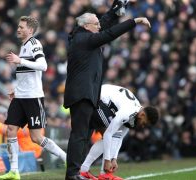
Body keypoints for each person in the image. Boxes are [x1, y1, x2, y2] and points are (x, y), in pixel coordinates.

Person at [63, 1, 151, 179]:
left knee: (83, 136)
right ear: (87, 26)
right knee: (79, 136)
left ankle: (77, 172)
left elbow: (103, 23)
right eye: (96, 24)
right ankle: (72, 175)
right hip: (82, 94)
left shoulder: (84, 35)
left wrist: (115, 9)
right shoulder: (84, 39)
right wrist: (135, 21)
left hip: (87, 94)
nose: (99, 26)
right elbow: (110, 34)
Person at [0, 16, 66, 180]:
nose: (18, 29)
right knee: (10, 130)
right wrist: (16, 90)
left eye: (21, 27)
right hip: (20, 96)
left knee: (36, 137)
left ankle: (65, 157)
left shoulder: (34, 44)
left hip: (33, 98)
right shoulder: (24, 46)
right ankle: (14, 171)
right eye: (18, 26)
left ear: (30, 30)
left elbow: (43, 65)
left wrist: (20, 60)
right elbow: (26, 74)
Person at [79, 84, 159, 180]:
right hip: (95, 98)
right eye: (144, 123)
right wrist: (107, 160)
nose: (143, 126)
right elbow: (108, 134)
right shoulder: (128, 112)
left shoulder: (135, 115)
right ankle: (101, 174)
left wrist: (114, 159)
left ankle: (89, 171)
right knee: (110, 135)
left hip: (104, 102)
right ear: (142, 115)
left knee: (114, 135)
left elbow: (120, 137)